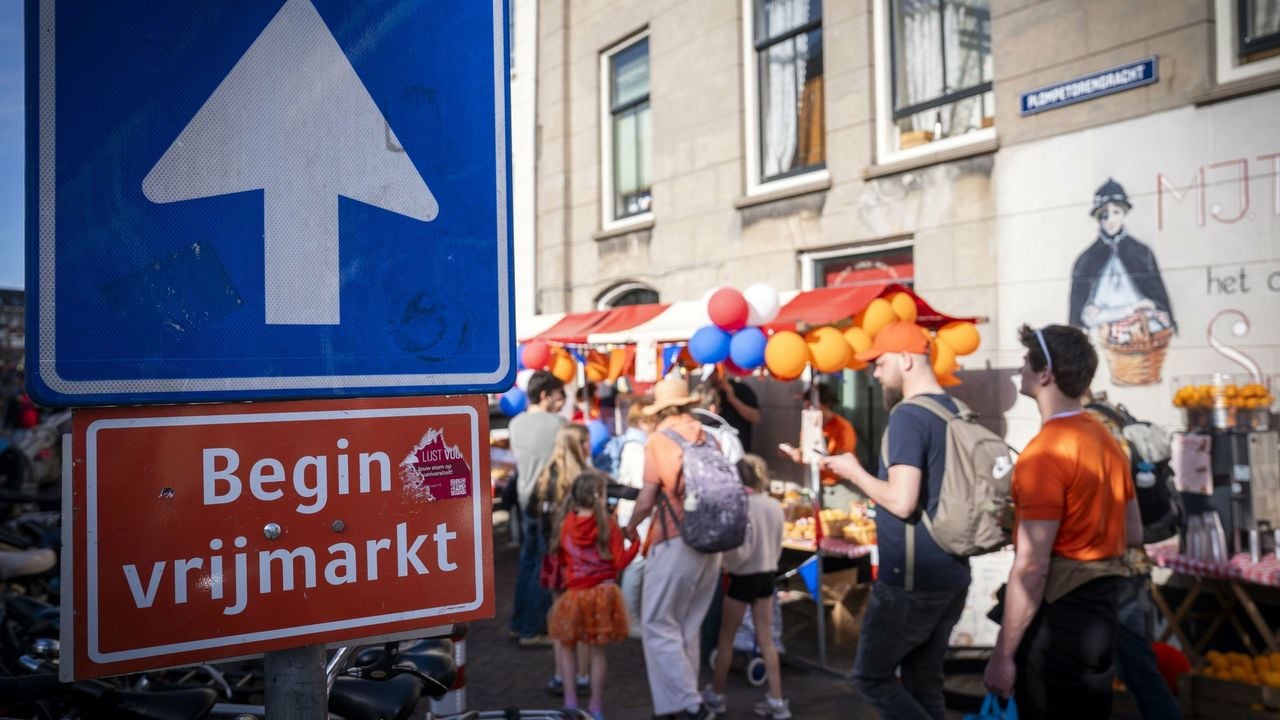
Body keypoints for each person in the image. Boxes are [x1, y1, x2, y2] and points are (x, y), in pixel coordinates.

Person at [983, 324, 1143, 719]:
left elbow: (1033, 567)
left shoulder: (1044, 454)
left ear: (1046, 374)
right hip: (1102, 610)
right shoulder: (1107, 440)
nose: (1019, 370)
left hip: (1061, 619)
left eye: (1025, 362)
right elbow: (1133, 531)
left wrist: (1002, 656)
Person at [819, 321, 971, 720]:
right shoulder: (955, 410)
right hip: (952, 572)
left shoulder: (908, 415)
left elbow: (902, 501)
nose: (875, 373)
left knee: (871, 678)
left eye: (880, 363)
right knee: (924, 684)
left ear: (905, 359)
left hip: (911, 578)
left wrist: (854, 472)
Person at [625, 377, 722, 720]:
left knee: (656, 623)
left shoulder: (660, 440)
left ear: (661, 409)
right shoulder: (709, 437)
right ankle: (673, 705)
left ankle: (690, 704)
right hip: (713, 538)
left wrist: (630, 525)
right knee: (687, 626)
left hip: (676, 538)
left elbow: (647, 498)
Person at [547, 469, 641, 720]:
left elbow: (561, 558)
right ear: (600, 495)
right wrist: (635, 543)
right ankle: (596, 707)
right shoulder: (608, 525)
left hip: (576, 595)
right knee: (597, 652)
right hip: (604, 594)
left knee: (567, 645)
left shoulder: (567, 523)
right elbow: (620, 562)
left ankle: (569, 702)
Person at [703, 454, 789, 719]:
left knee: (726, 638)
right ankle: (777, 700)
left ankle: (717, 696)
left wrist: (726, 563)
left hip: (743, 576)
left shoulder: (740, 506)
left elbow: (739, 549)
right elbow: (778, 542)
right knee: (766, 638)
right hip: (767, 574)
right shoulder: (774, 505)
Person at [532, 423, 594, 695]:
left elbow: (532, 508)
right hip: (580, 558)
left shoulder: (547, 474)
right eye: (586, 442)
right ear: (577, 446)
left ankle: (560, 674)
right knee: (583, 617)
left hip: (554, 554)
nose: (590, 446)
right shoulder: (586, 479)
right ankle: (582, 676)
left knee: (560, 615)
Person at [1069, 178, 1175, 333]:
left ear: (1124, 213)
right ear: (1098, 218)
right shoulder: (1087, 258)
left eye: (1116, 213)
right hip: (1102, 324)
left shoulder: (1141, 252)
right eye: (1104, 215)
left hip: (1138, 323)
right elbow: (1079, 311)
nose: (1110, 220)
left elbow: (1157, 297)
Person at [508, 370, 567, 646]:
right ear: (545, 395)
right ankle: (532, 629)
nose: (561, 402)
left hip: (525, 499)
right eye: (558, 396)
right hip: (550, 502)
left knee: (528, 562)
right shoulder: (558, 424)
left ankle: (518, 623)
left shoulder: (515, 423)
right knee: (544, 564)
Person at [779, 382, 856, 486]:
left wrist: (814, 459)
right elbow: (807, 457)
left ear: (825, 404)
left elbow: (842, 465)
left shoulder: (843, 427)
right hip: (818, 481)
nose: (808, 410)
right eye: (806, 406)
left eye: (811, 406)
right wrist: (795, 454)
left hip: (841, 484)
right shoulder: (809, 426)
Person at [711, 367, 760, 453]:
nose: (711, 376)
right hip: (714, 451)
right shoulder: (706, 391)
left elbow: (755, 417)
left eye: (715, 371)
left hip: (739, 450)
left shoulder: (741, 389)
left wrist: (732, 399)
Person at [691, 383, 744, 463]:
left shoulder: (678, 430)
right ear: (713, 408)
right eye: (719, 407)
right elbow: (739, 466)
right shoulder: (725, 436)